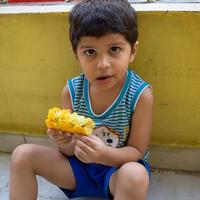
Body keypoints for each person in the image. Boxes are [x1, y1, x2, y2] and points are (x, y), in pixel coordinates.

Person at [9, 0, 154, 200]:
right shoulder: (71, 91)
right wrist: (64, 142)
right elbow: (69, 151)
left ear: (133, 51)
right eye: (90, 52)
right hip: (78, 171)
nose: (103, 64)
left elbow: (136, 151)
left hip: (116, 173)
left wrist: (103, 155)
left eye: (114, 49)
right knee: (22, 155)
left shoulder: (140, 95)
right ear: (77, 55)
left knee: (135, 175)